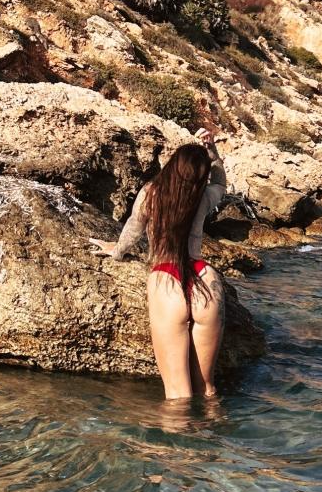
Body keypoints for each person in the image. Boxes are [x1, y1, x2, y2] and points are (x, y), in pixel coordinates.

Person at [91, 129, 227, 400]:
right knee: (207, 390)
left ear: (173, 164)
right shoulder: (202, 197)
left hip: (167, 279)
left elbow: (134, 228)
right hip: (205, 278)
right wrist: (212, 153)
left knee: (178, 395)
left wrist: (117, 251)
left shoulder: (150, 193)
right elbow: (221, 184)